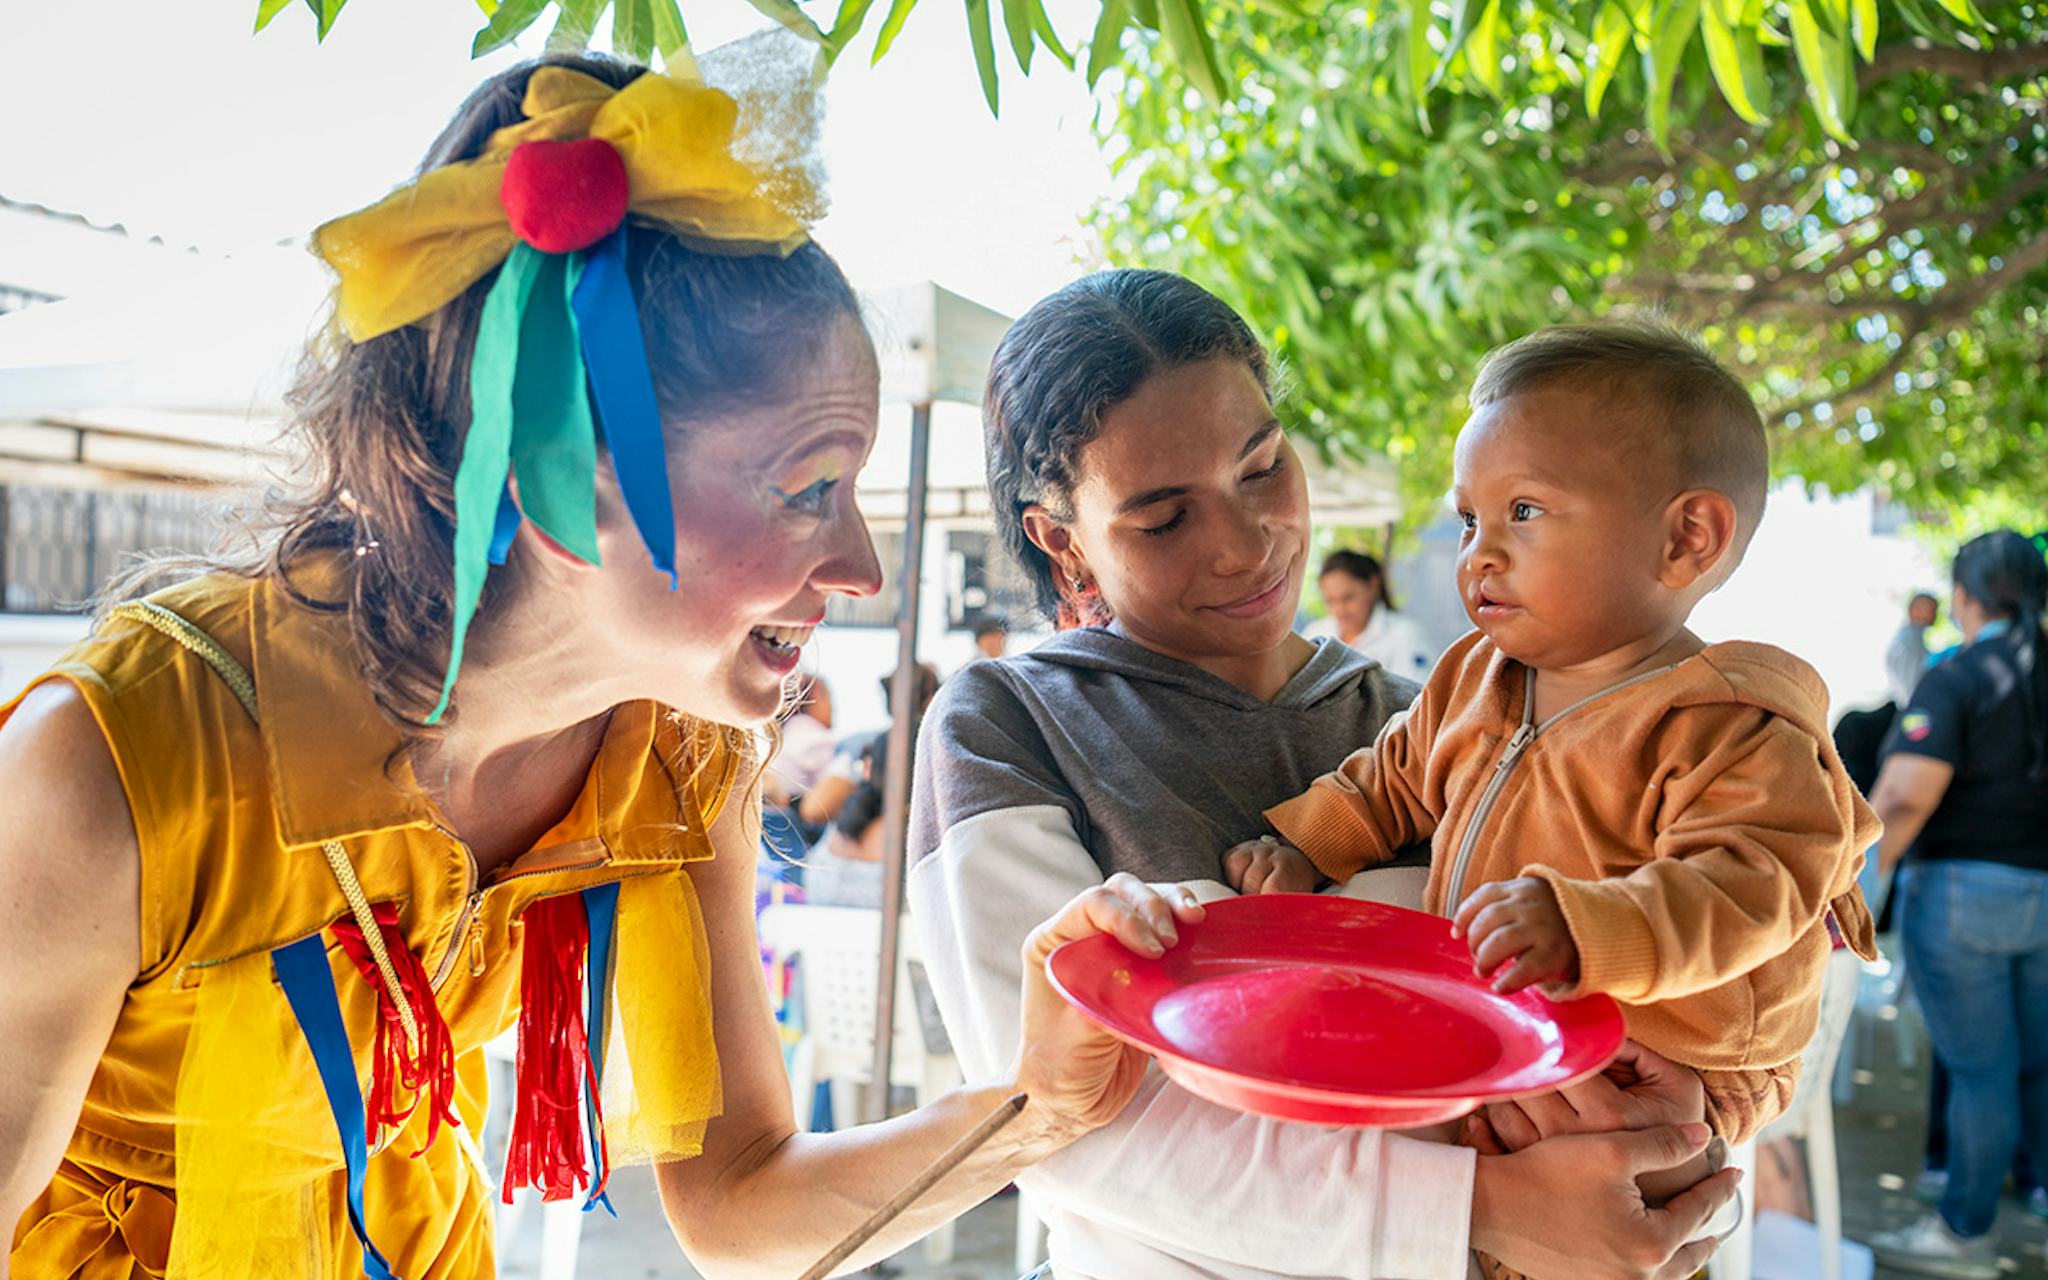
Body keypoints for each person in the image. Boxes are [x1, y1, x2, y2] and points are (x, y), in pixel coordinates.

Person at [0, 52, 1200, 1280]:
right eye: (808, 489)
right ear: (558, 479)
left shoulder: (679, 762)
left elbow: (736, 1205)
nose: (860, 567)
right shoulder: (117, 766)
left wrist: (1038, 1105)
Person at [910, 271, 1743, 1280]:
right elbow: (1055, 1117)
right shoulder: (1009, 720)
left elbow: (1607, 1001)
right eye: (1163, 519)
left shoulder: (1432, 715)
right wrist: (1474, 1211)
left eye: (1260, 467)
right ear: (1059, 537)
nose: (1243, 542)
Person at [1234, 321, 1879, 1148]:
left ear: (1687, 539)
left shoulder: (1733, 725)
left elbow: (1750, 888)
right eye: (1469, 518)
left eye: (1524, 511)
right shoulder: (1476, 675)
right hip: (1515, 1020)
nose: (1479, 553)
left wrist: (1588, 927)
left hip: (1678, 1057)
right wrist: (1308, 847)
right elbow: (1391, 778)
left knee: (1608, 1208)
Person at [1862, 530, 2048, 1278]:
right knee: (2034, 1062)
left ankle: (1965, 1233)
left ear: (1965, 597)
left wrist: (1860, 891)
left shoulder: (1958, 674)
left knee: (1980, 1070)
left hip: (1964, 895)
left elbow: (1905, 797)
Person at [1306, 549, 1436, 680]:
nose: (1340, 610)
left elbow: (1416, 693)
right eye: (1331, 601)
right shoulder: (1315, 633)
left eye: (1348, 598)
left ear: (1373, 586)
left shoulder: (1406, 634)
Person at [1887, 591, 1941, 709]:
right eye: (1933, 609)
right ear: (1914, 610)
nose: (1936, 614)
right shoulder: (1910, 640)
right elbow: (1910, 683)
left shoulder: (1913, 638)